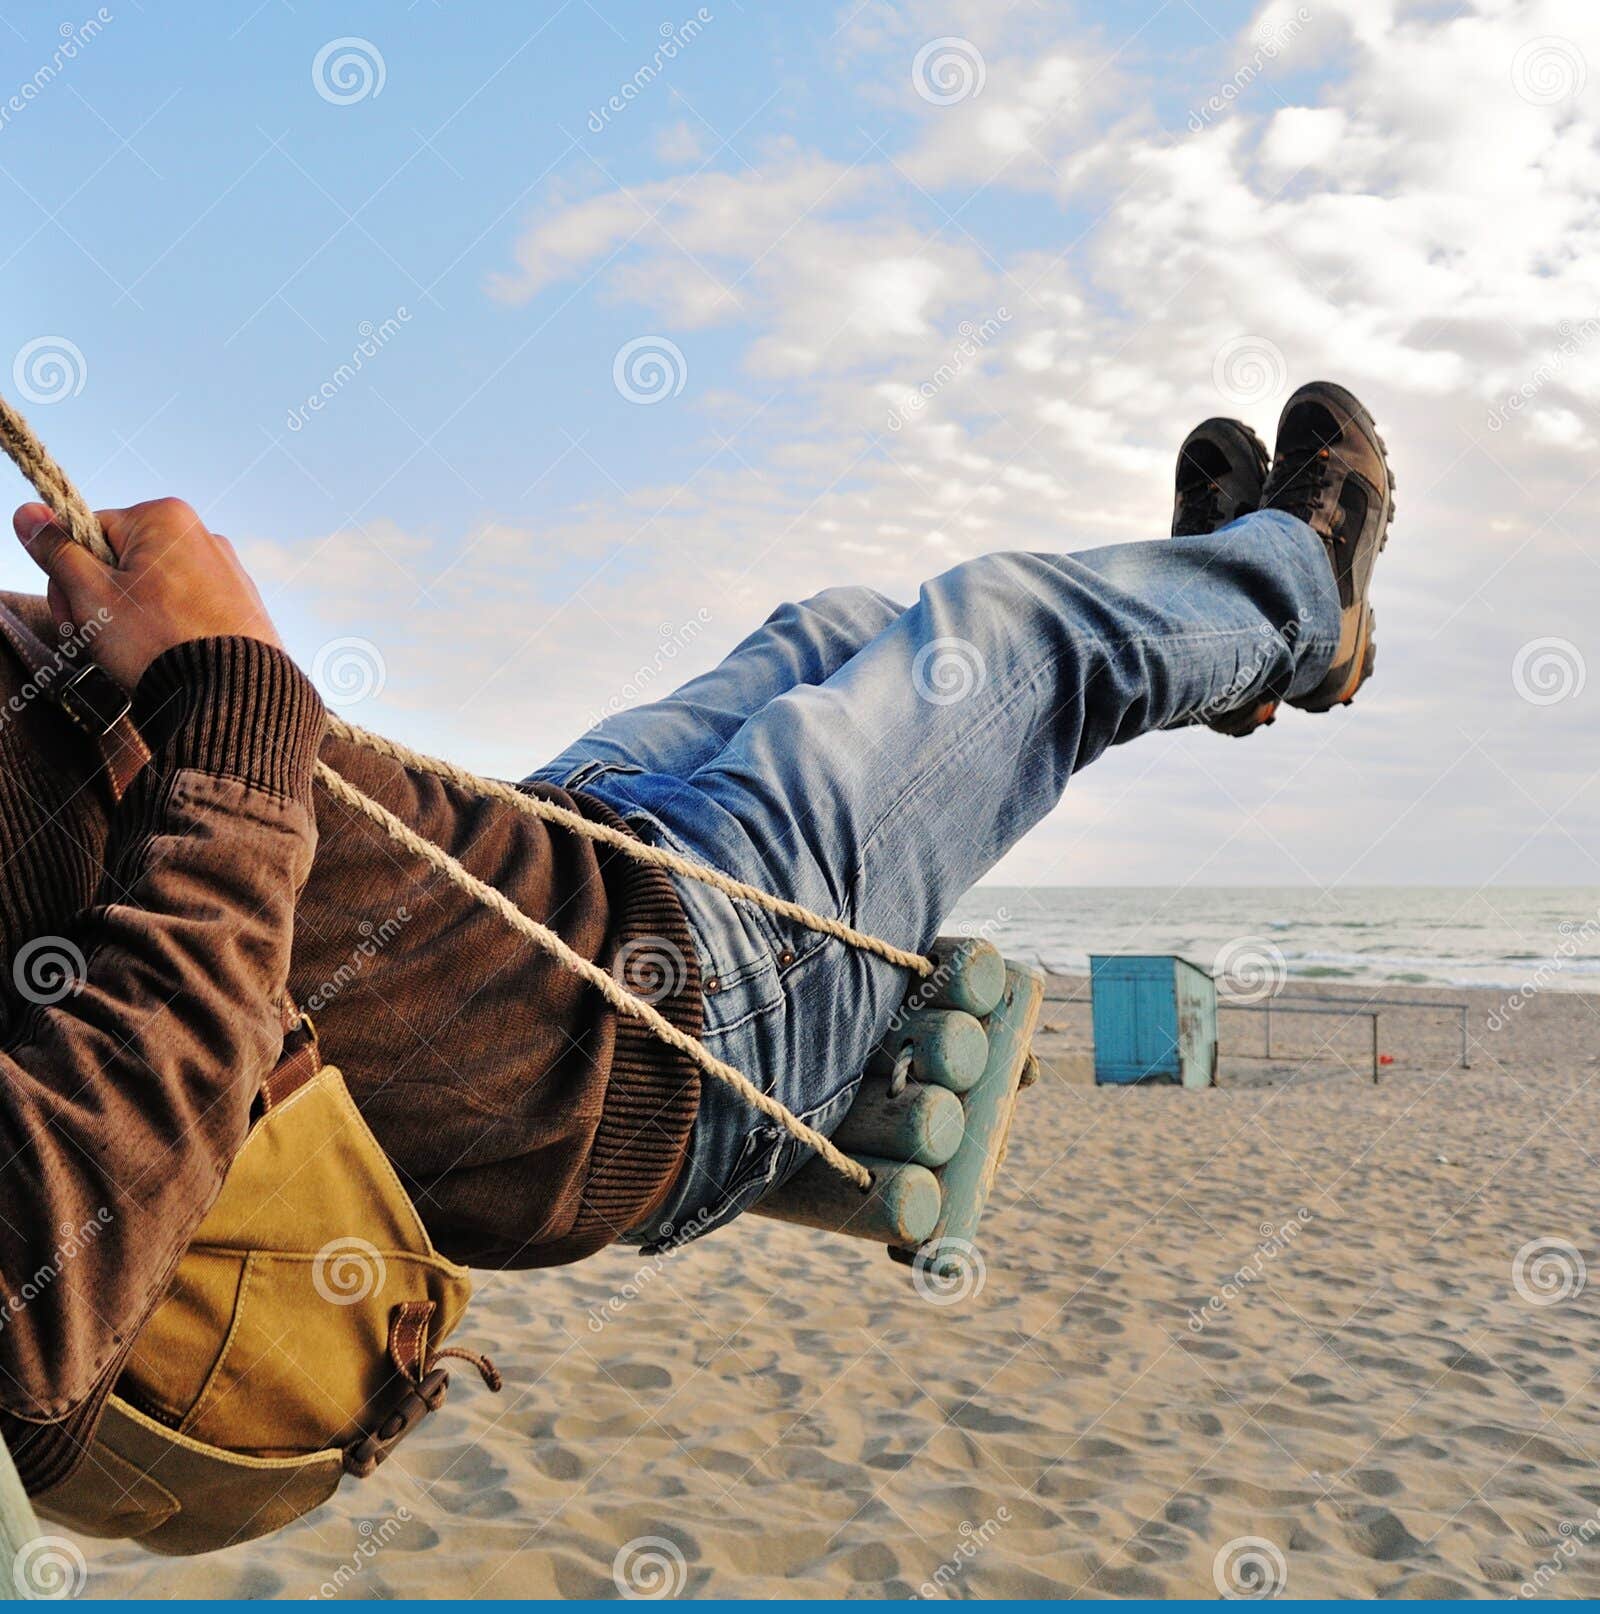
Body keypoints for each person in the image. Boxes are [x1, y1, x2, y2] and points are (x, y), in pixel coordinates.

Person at [0, 380, 1392, 1492]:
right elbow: (47, 1297)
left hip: (555, 858)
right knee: (1010, 634)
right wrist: (230, 691)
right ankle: (1298, 600)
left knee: (838, 624)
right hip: (661, 1026)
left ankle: (1219, 608)